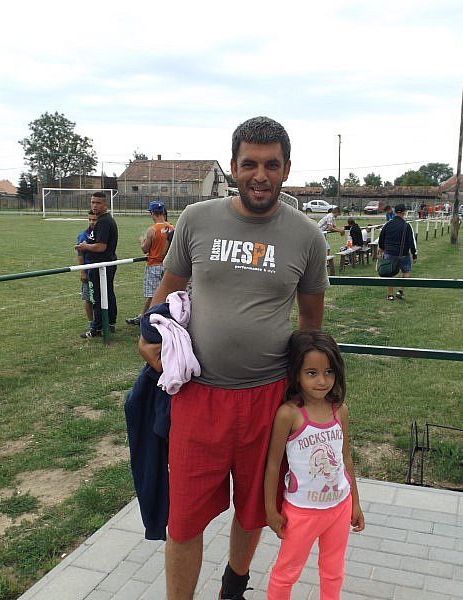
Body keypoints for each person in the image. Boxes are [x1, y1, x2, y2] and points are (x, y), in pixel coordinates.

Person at [137, 116, 329, 600]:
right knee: (184, 519)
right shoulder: (196, 219)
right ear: (233, 166)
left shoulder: (307, 236)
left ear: (287, 169)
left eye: (271, 165)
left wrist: (313, 397)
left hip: (267, 399)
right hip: (197, 396)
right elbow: (167, 290)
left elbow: (311, 325)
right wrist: (148, 335)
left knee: (253, 509)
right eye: (250, 164)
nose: (260, 175)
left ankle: (233, 586)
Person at [264, 329, 364, 599]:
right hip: (301, 513)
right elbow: (273, 465)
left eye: (329, 372)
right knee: (286, 573)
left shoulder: (340, 411)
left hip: (339, 508)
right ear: (296, 373)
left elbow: (345, 457)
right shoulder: (288, 414)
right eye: (312, 373)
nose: (322, 381)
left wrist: (355, 502)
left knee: (333, 571)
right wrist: (270, 510)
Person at [74, 191, 118, 338]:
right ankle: (109, 324)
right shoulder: (102, 220)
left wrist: (84, 246)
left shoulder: (104, 221)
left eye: (98, 203)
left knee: (98, 297)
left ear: (105, 204)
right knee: (107, 295)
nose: (94, 205)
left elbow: (101, 247)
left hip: (101, 266)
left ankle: (97, 328)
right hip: (104, 265)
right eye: (93, 202)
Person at [126, 200, 174, 326]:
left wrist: (142, 241)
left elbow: (145, 249)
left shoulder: (152, 230)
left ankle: (145, 318)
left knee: (153, 295)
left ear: (152, 213)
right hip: (167, 265)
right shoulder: (171, 227)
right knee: (165, 293)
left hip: (153, 265)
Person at [377, 203, 417, 301]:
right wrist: (414, 254)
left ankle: (390, 295)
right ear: (404, 212)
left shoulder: (387, 224)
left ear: (395, 212)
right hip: (403, 253)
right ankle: (400, 291)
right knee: (406, 272)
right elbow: (411, 241)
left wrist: (381, 248)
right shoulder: (407, 225)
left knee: (389, 273)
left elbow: (381, 237)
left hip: (389, 252)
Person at [76, 211, 97, 331]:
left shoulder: (101, 234)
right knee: (88, 299)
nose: (92, 222)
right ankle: (91, 323)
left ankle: (103, 322)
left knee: (99, 298)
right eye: (90, 219)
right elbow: (80, 254)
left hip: (99, 271)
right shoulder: (83, 235)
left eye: (94, 220)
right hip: (88, 272)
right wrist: (82, 271)